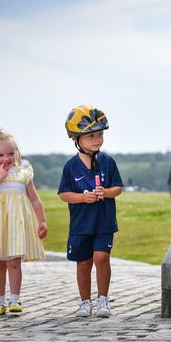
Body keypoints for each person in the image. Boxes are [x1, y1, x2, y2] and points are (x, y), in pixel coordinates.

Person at [0, 125, 48, 316]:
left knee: (14, 262)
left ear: (16, 153)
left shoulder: (23, 174)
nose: (6, 159)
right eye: (0, 155)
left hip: (15, 226)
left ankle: (14, 299)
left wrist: (42, 221)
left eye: (10, 153)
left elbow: (34, 198)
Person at [58, 105, 123, 318]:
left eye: (100, 134)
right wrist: (83, 198)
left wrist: (107, 192)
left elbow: (118, 188)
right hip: (81, 225)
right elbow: (64, 194)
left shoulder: (108, 162)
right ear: (76, 139)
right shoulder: (70, 167)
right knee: (83, 263)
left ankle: (103, 300)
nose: (97, 140)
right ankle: (85, 302)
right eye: (91, 136)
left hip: (103, 222)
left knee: (101, 257)